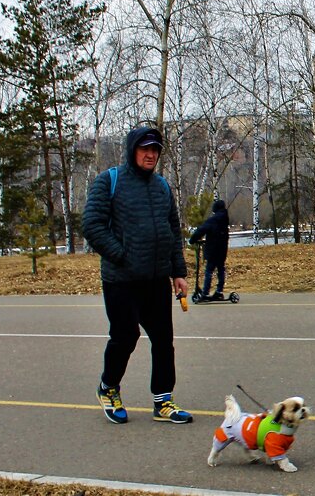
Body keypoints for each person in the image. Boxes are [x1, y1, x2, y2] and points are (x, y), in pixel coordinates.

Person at [81, 126, 193, 425]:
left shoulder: (162, 187)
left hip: (156, 279)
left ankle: (163, 401)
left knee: (163, 340)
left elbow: (172, 231)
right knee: (125, 336)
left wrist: (178, 272)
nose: (150, 154)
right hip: (121, 280)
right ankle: (108, 388)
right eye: (145, 149)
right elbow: (92, 225)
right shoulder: (110, 181)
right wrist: (122, 254)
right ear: (132, 150)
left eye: (155, 149)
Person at [189, 198, 231, 300]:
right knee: (221, 269)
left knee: (209, 270)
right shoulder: (225, 220)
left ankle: (206, 292)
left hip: (213, 250)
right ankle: (219, 291)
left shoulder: (213, 220)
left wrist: (192, 240)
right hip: (222, 250)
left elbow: (201, 230)